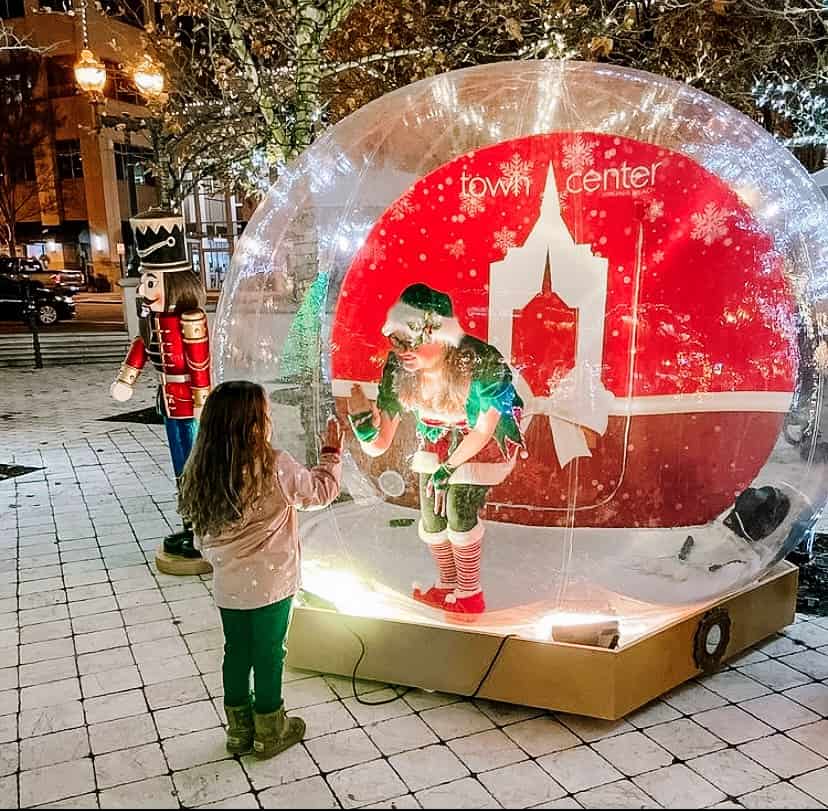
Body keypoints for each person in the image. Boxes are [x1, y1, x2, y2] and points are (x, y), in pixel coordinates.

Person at [178, 381, 343, 759]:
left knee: (236, 652)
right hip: (271, 583)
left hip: (229, 584)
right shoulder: (274, 464)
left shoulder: (202, 468)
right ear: (254, 423)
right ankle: (270, 729)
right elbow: (317, 493)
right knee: (269, 653)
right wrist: (331, 455)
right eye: (265, 415)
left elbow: (201, 537)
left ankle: (238, 731)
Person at [346, 283, 524, 615]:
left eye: (410, 341)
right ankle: (446, 586)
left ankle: (470, 593)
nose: (402, 351)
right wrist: (362, 421)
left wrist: (448, 467)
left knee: (457, 508)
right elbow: (379, 444)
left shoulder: (480, 360)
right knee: (431, 518)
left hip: (479, 441)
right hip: (435, 439)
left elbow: (485, 429)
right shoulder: (399, 369)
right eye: (396, 341)